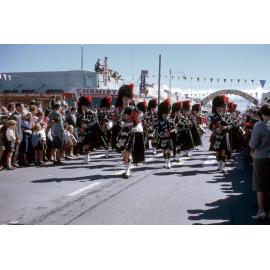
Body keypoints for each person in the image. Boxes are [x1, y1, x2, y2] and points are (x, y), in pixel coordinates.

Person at [115, 83, 145, 178]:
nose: (125, 100)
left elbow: (138, 121)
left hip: (131, 133)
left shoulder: (132, 109)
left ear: (130, 99)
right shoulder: (118, 110)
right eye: (124, 98)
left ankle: (127, 171)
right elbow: (115, 120)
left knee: (128, 151)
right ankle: (126, 170)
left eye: (127, 98)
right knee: (124, 153)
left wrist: (138, 127)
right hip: (121, 134)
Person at [249, 104, 270, 220]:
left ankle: (261, 210)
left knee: (261, 185)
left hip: (261, 158)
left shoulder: (259, 125)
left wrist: (251, 151)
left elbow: (253, 144)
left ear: (262, 114)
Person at [157, 98, 174, 169]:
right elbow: (158, 131)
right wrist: (163, 134)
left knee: (169, 149)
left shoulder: (170, 121)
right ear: (161, 114)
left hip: (169, 138)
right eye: (164, 114)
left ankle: (169, 162)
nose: (165, 115)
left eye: (166, 114)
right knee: (164, 150)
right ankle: (166, 161)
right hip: (163, 138)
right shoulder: (160, 122)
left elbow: (174, 129)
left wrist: (171, 131)